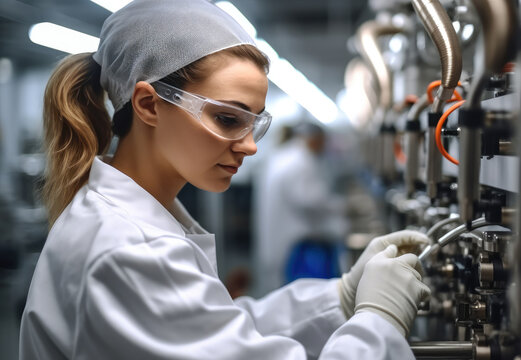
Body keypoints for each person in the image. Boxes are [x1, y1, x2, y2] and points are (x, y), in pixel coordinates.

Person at [19, 1, 430, 359]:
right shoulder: (131, 252)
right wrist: (380, 320)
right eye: (229, 119)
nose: (250, 147)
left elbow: (220, 331)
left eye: (255, 123)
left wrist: (339, 298)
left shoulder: (131, 222)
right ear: (148, 105)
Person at [253, 122, 351, 294]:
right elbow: (311, 200)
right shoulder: (301, 161)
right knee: (291, 292)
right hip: (292, 243)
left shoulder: (283, 155)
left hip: (277, 236)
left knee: (277, 289)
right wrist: (343, 206)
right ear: (315, 139)